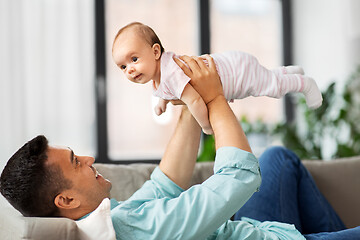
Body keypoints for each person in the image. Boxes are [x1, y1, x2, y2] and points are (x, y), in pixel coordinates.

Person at [1, 55, 358, 240]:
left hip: (259, 231)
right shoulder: (138, 232)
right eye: (76, 162)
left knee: (280, 159)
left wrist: (190, 101)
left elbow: (164, 184)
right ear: (65, 201)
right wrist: (216, 96)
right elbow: (239, 177)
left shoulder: (112, 222)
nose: (90, 159)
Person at [111, 22, 323, 135]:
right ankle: (288, 72)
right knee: (267, 78)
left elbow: (193, 100)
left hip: (234, 74)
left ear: (155, 52)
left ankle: (305, 84)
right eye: (123, 66)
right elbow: (167, 90)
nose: (129, 69)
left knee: (272, 88)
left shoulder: (171, 73)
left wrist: (206, 126)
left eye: (134, 59)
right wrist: (162, 103)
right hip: (231, 66)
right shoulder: (161, 74)